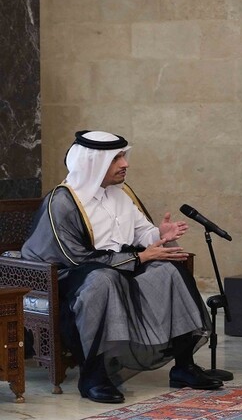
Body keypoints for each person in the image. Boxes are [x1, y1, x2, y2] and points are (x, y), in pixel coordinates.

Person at [22, 130, 222, 404]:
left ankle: (184, 366)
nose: (125, 164)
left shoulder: (121, 194)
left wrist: (159, 234)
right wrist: (139, 258)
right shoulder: (62, 201)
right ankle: (93, 377)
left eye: (123, 157)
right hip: (71, 278)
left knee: (169, 271)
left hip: (118, 267)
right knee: (103, 280)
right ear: (93, 163)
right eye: (116, 158)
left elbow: (141, 233)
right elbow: (77, 258)